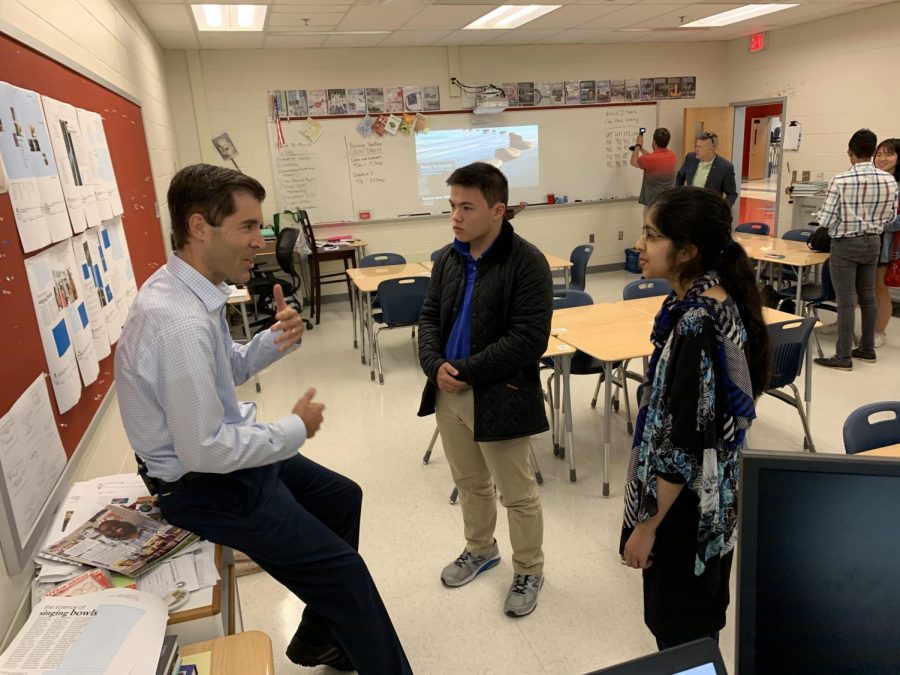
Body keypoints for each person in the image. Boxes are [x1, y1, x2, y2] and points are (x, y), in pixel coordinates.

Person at [115, 164, 411, 674]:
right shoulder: (179, 321)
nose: (261, 241)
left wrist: (273, 340)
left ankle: (319, 640)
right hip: (202, 485)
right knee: (346, 575)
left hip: (225, 459)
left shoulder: (187, 288)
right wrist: (293, 430)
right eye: (248, 227)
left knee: (343, 498)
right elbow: (204, 450)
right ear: (199, 227)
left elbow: (222, 367)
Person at [620, 186, 771, 650]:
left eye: (651, 235)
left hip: (688, 510)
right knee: (698, 621)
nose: (639, 245)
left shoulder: (696, 322)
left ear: (687, 251)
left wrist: (646, 527)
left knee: (681, 630)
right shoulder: (711, 302)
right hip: (712, 497)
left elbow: (685, 445)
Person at [417, 161, 552, 618]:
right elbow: (430, 319)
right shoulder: (448, 258)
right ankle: (480, 549)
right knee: (470, 483)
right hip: (448, 391)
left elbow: (528, 340)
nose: (455, 216)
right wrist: (435, 366)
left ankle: (530, 568)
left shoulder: (527, 262)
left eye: (466, 207)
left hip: (500, 393)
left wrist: (466, 370)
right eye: (452, 205)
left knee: (517, 492)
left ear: (498, 210)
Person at [813, 129, 898, 370]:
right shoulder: (889, 180)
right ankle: (867, 348)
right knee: (868, 295)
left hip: (845, 243)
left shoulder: (840, 180)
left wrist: (819, 215)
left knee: (847, 300)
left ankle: (843, 356)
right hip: (874, 242)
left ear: (850, 153)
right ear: (872, 153)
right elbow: (891, 216)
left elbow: (826, 220)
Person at [873, 138, 900, 347]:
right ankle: (842, 322)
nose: (882, 159)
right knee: (857, 287)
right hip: (863, 241)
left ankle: (879, 331)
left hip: (886, 246)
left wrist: (874, 222)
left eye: (888, 154)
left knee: (880, 288)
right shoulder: (871, 180)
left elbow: (896, 222)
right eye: (879, 154)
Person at [675, 132, 738, 207]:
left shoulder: (725, 167)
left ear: (711, 149)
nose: (696, 150)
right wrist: (678, 197)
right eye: (696, 146)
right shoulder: (691, 158)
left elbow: (731, 194)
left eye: (700, 147)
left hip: (710, 210)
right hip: (690, 207)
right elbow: (680, 177)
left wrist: (723, 209)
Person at [631, 127, 677, 208]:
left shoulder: (648, 160)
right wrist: (641, 149)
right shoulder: (672, 155)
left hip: (653, 205)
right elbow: (653, 159)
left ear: (654, 142)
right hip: (668, 202)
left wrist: (638, 145)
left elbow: (633, 162)